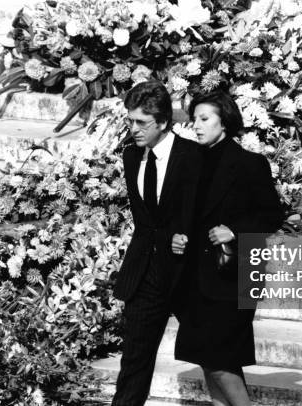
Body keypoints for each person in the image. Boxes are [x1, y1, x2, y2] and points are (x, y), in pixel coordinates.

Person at [171, 90, 283, 406]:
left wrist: (234, 231)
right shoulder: (190, 163)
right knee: (210, 360)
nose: (197, 126)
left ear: (225, 122)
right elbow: (183, 214)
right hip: (195, 277)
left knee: (219, 361)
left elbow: (272, 215)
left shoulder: (249, 164)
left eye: (204, 119)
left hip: (232, 276)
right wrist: (177, 236)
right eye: (194, 119)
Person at [112, 80, 201, 406]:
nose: (133, 129)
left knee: (219, 364)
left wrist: (188, 237)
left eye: (141, 122)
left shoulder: (193, 156)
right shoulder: (131, 156)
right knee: (133, 365)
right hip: (145, 274)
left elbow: (208, 209)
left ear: (163, 122)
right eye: (130, 120)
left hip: (187, 273)